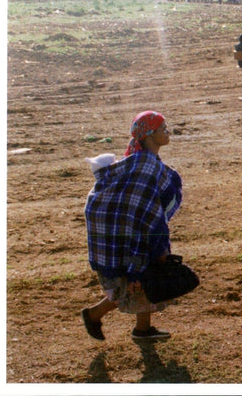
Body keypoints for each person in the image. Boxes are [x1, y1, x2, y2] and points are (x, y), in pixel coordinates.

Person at [81, 111, 183, 342]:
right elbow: (142, 215)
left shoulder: (142, 163)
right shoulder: (146, 168)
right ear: (148, 135)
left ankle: (142, 329)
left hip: (125, 231)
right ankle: (97, 315)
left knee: (141, 279)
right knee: (136, 278)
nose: (167, 132)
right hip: (129, 233)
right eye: (162, 128)